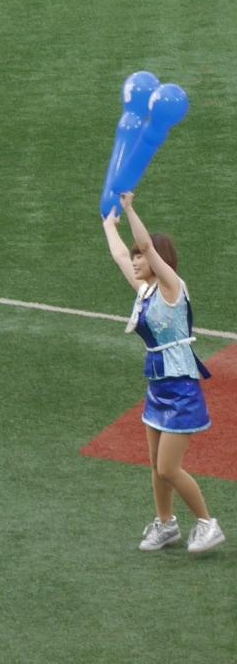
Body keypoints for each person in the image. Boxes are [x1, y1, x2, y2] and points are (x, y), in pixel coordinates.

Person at [103, 191, 224, 553]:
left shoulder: (172, 287)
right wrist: (109, 224)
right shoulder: (145, 291)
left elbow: (144, 244)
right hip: (158, 387)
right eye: (136, 257)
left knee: (169, 468)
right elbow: (119, 254)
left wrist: (129, 208)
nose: (135, 260)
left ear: (158, 259)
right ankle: (167, 524)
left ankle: (207, 524)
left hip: (181, 389)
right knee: (156, 466)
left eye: (141, 257)